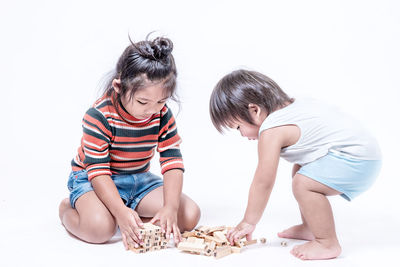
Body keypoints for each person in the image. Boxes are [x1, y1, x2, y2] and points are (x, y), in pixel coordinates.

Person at [209, 69, 381, 260]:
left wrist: (249, 221)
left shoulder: (272, 129)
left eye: (238, 127)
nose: (242, 135)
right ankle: (310, 226)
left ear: (254, 111)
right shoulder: (293, 107)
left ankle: (327, 242)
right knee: (301, 169)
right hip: (366, 155)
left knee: (303, 183)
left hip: (358, 160)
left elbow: (263, 181)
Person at [59, 36, 200, 250]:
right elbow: (98, 171)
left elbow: (172, 162)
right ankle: (68, 209)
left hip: (138, 180)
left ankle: (127, 214)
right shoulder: (99, 115)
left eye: (161, 101)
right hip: (95, 180)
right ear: (119, 86)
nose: (152, 110)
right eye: (143, 101)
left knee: (189, 215)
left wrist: (170, 207)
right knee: (100, 230)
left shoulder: (161, 114)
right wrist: (119, 211)